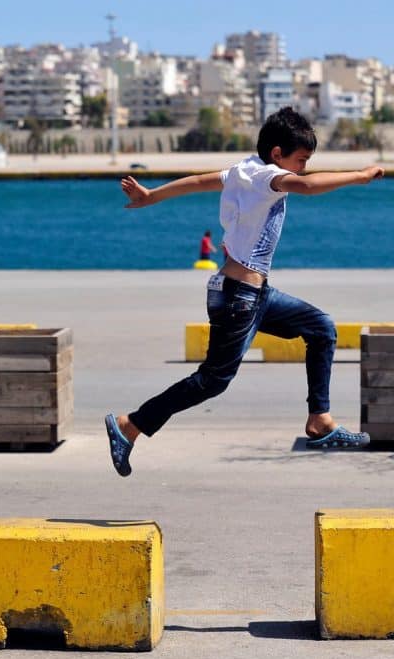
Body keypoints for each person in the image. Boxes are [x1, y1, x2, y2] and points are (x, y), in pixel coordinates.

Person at [105, 106, 385, 476]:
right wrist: (361, 175)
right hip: (240, 297)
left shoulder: (243, 170)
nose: (300, 168)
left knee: (321, 327)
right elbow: (306, 186)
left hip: (252, 294)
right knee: (211, 381)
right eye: (299, 160)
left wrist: (151, 196)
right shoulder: (268, 176)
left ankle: (320, 420)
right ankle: (130, 425)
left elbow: (198, 181)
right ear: (277, 155)